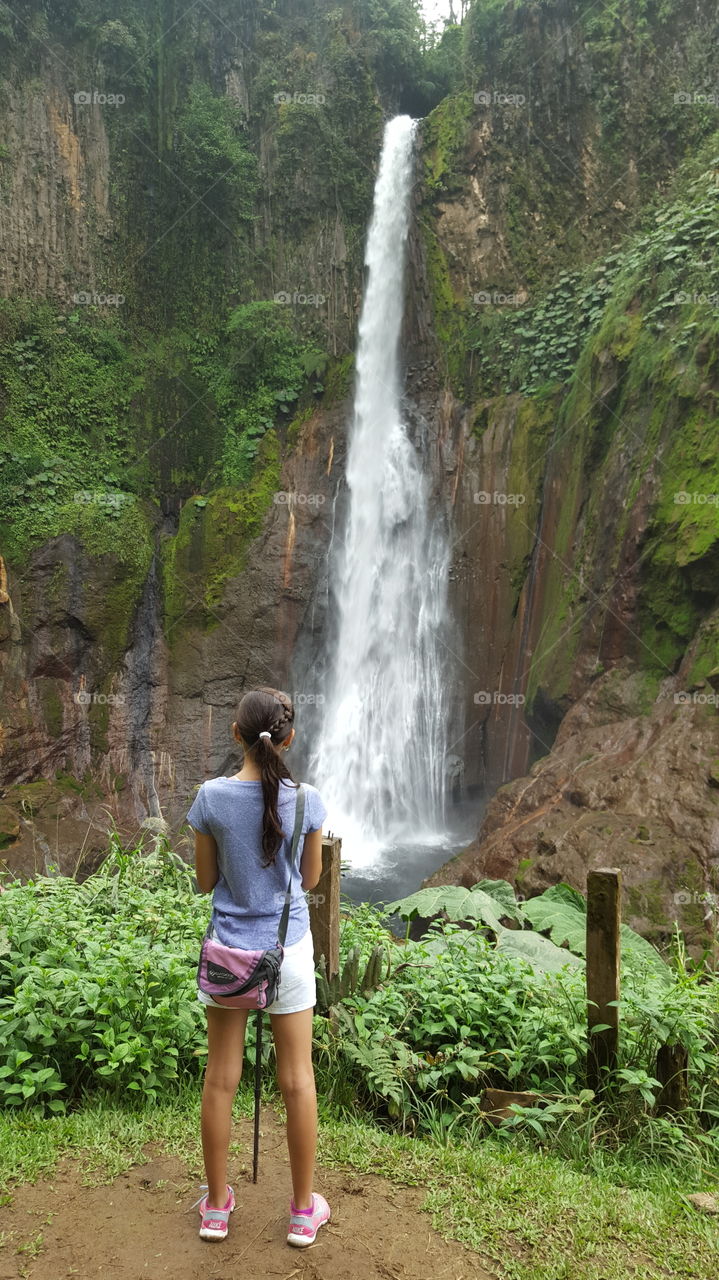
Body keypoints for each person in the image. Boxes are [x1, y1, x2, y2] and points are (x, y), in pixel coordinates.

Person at [186, 686, 331, 1248]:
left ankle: (217, 1208)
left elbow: (204, 882)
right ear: (289, 738)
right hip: (287, 952)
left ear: (235, 735)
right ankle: (301, 1212)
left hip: (229, 954)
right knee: (297, 1080)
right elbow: (312, 881)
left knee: (221, 1079)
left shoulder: (210, 799)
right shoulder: (309, 800)